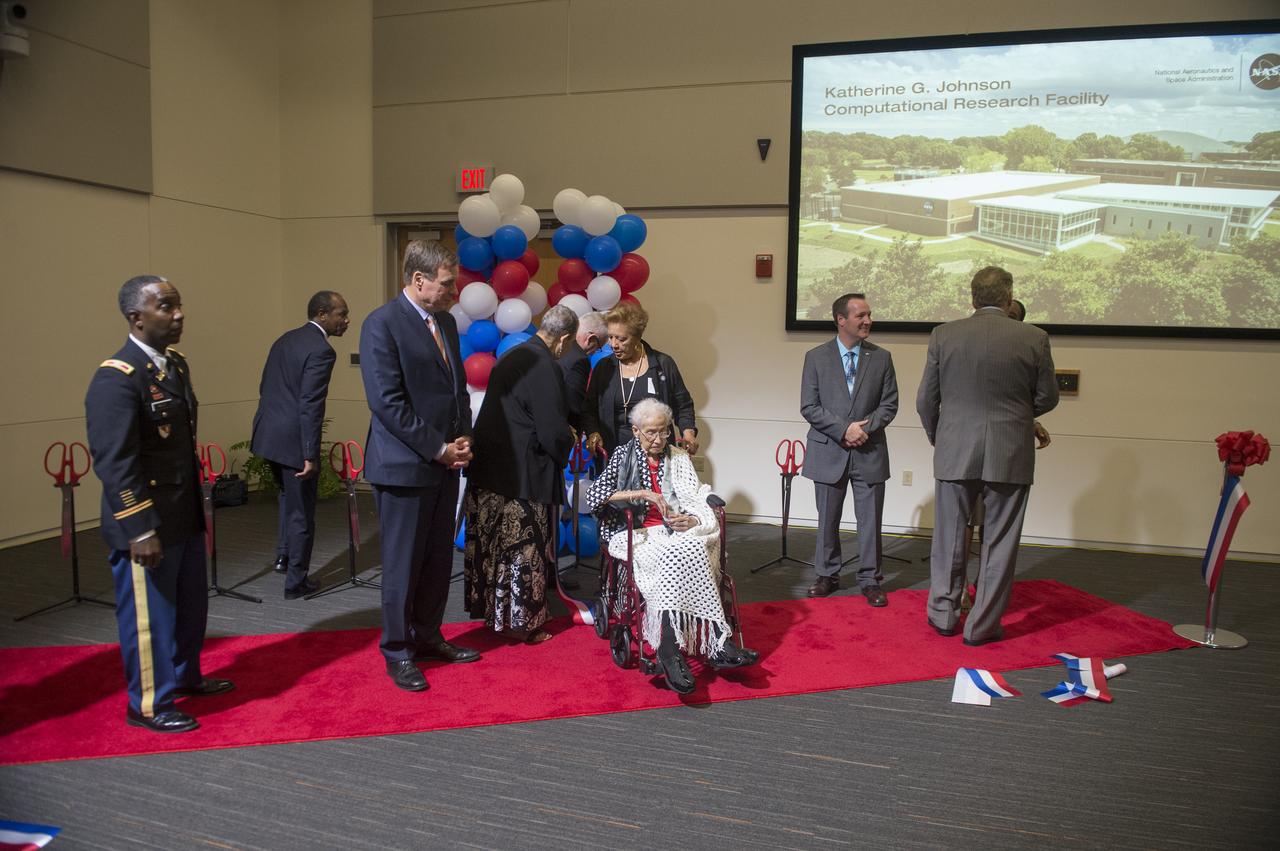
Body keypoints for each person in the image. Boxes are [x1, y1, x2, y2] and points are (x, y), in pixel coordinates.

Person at [85, 275, 233, 733]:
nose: (179, 314)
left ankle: (186, 675)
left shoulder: (174, 366)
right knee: (150, 616)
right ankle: (149, 703)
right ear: (137, 318)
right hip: (146, 522)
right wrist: (139, 528)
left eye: (178, 305)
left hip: (182, 512)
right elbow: (115, 462)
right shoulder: (116, 378)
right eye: (166, 307)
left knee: (190, 607)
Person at [359, 240, 479, 692]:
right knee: (402, 564)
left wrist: (463, 437)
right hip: (404, 467)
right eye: (448, 283)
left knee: (434, 561)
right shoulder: (381, 325)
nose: (454, 291)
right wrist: (438, 448)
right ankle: (397, 651)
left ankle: (428, 637)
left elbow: (456, 391)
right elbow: (387, 403)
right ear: (418, 280)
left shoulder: (444, 322)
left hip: (443, 464)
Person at [917, 266, 1059, 645]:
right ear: (1009, 298)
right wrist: (1018, 415)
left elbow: (925, 400)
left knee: (949, 536)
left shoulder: (944, 334)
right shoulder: (1034, 337)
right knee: (1000, 542)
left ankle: (944, 615)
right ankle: (982, 626)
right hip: (1010, 452)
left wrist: (940, 437)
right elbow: (1047, 397)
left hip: (955, 450)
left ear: (972, 298)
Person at [586, 398, 757, 695]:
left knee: (696, 547)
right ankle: (670, 650)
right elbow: (595, 495)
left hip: (672, 530)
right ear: (636, 431)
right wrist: (641, 494)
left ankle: (714, 642)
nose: (658, 439)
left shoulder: (678, 457)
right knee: (672, 555)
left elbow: (693, 496)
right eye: (651, 432)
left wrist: (691, 519)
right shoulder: (622, 455)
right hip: (635, 531)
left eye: (664, 431)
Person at [464, 305, 579, 643]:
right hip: (523, 475)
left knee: (493, 548)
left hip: (490, 467)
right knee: (523, 551)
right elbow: (551, 429)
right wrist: (568, 441)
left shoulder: (512, 354)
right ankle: (524, 623)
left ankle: (492, 614)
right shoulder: (545, 364)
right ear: (565, 338)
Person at [800, 293, 899, 604]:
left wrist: (862, 430)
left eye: (869, 314)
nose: (868, 320)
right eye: (861, 315)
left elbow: (889, 404)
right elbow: (809, 406)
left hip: (869, 451)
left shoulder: (881, 357)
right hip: (829, 449)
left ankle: (870, 579)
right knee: (827, 519)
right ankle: (827, 575)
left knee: (870, 520)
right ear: (841, 320)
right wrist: (844, 429)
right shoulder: (815, 357)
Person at [251, 290, 350, 599]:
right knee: (302, 513)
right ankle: (296, 582)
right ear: (322, 314)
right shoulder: (322, 350)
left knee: (286, 500)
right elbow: (310, 404)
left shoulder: (284, 339)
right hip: (293, 440)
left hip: (267, 435)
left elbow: (265, 384)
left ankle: (283, 556)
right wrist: (309, 454)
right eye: (341, 314)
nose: (346, 320)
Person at [957, 296, 1051, 612]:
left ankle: (986, 593)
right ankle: (959, 590)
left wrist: (1027, 420)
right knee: (966, 522)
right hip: (968, 451)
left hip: (1006, 452)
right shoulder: (967, 342)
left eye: (1012, 317)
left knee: (995, 529)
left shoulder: (1027, 345)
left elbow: (1011, 396)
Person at [583, 302, 698, 456]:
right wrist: (593, 432)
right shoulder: (604, 367)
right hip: (614, 451)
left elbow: (683, 405)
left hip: (656, 451)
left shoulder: (663, 364)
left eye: (621, 339)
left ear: (637, 337)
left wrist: (688, 433)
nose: (614, 345)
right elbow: (589, 408)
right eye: (610, 337)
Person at [559, 310, 607, 434]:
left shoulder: (559, 346)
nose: (595, 352)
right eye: (599, 347)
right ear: (590, 339)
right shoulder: (580, 360)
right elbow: (574, 404)